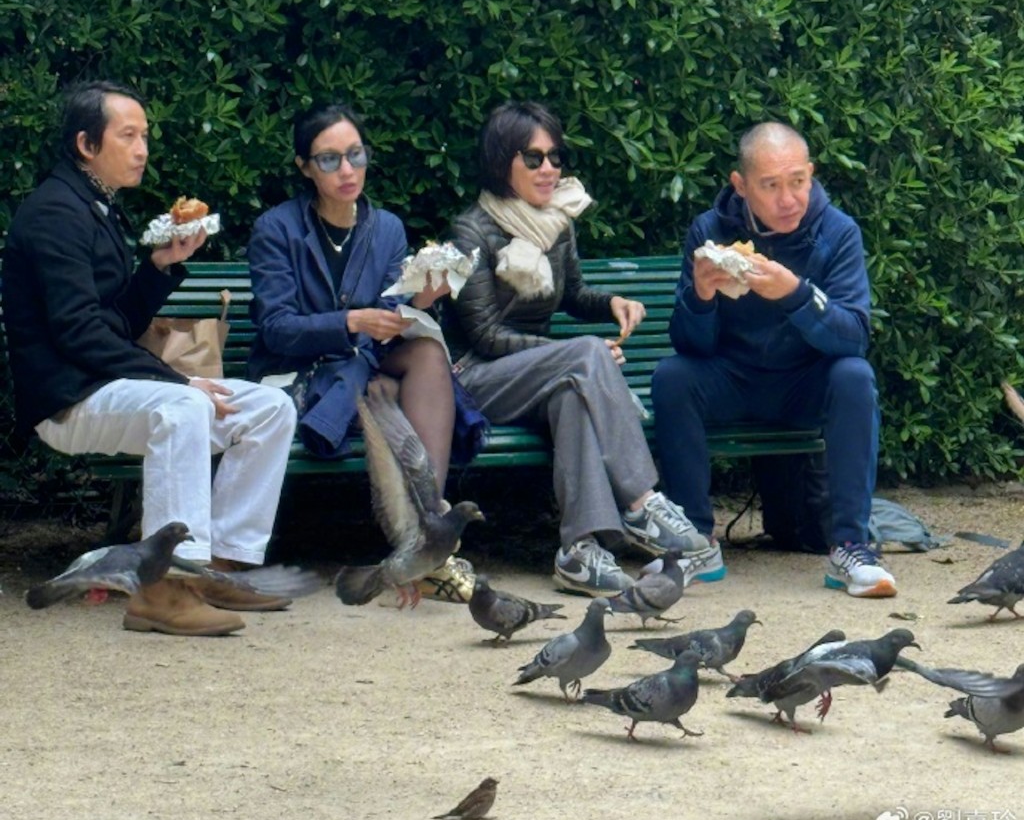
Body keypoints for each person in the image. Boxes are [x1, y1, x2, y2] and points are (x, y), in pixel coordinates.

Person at [2, 80, 299, 635]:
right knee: (182, 409)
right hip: (69, 400)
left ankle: (216, 568)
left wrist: (161, 266)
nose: (142, 149)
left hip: (108, 387)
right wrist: (178, 381)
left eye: (145, 136)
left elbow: (116, 322)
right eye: (129, 135)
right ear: (87, 144)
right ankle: (161, 591)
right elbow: (77, 333)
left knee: (270, 408)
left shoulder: (96, 206)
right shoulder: (54, 214)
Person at [442, 100, 721, 598]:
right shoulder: (471, 231)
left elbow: (571, 296)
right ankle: (640, 501)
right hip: (474, 378)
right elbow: (482, 334)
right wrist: (572, 350)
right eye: (533, 157)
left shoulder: (556, 224)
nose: (549, 168)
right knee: (583, 359)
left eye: (555, 156)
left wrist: (612, 301)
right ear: (501, 160)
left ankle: (578, 552)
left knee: (573, 394)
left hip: (539, 377)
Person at [246, 102, 487, 602]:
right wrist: (350, 321)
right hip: (301, 377)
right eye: (329, 159)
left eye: (355, 154)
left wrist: (421, 301)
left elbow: (390, 317)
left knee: (424, 351)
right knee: (379, 386)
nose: (347, 170)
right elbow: (276, 330)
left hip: (366, 362)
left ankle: (430, 530)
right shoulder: (277, 229)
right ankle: (424, 544)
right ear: (304, 167)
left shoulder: (388, 228)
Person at [651, 121, 895, 597]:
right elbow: (690, 346)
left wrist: (797, 295)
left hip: (805, 382)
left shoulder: (838, 232)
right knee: (673, 377)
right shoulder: (710, 230)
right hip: (733, 380)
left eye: (798, 181)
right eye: (771, 185)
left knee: (854, 375)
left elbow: (853, 336)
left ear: (811, 174)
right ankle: (695, 541)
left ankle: (850, 545)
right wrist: (700, 297)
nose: (789, 199)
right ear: (740, 186)